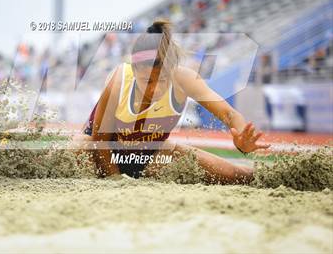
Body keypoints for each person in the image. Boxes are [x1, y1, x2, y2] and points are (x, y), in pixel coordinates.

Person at [73, 19, 270, 184]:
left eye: (162, 80)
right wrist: (116, 181)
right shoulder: (119, 80)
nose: (155, 89)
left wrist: (242, 139)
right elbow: (100, 141)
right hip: (99, 152)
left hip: (152, 156)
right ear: (134, 71)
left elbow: (229, 114)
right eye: (147, 80)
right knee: (72, 152)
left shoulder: (184, 78)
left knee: (239, 176)